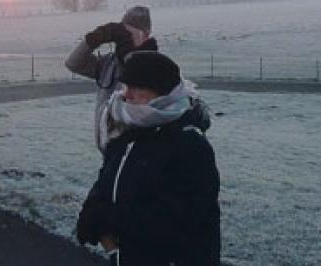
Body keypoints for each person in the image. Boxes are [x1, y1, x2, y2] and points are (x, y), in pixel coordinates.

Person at [76, 51, 221, 266]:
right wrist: (92, 215)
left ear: (162, 92)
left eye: (137, 87)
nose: (127, 95)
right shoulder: (128, 134)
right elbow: (106, 181)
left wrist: (109, 223)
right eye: (126, 87)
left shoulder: (190, 144)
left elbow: (181, 217)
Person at [65, 6, 164, 151]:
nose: (125, 38)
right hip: (108, 152)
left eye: (130, 34)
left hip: (136, 154)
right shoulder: (109, 64)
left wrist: (131, 56)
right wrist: (93, 39)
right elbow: (73, 64)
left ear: (146, 35)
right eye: (123, 32)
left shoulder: (155, 65)